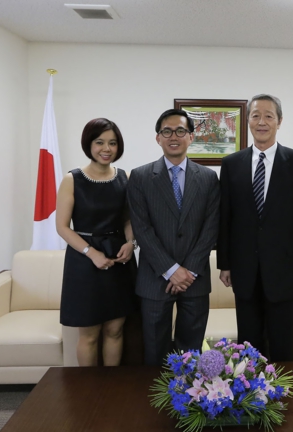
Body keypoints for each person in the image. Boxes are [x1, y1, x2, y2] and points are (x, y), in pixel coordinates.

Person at [217, 94, 293, 362]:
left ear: (279, 121)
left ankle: (284, 399)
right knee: (248, 344)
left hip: (284, 270)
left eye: (268, 116)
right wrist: (224, 264)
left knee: (283, 341)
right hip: (244, 270)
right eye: (255, 115)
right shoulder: (231, 164)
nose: (261, 121)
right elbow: (225, 219)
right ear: (248, 121)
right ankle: (251, 399)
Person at [127, 109, 220, 366]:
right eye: (166, 131)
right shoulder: (140, 177)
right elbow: (142, 229)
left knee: (191, 355)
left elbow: (211, 228)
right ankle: (155, 404)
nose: (173, 136)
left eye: (180, 131)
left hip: (195, 278)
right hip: (154, 278)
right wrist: (170, 270)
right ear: (158, 138)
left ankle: (188, 401)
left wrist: (187, 270)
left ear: (191, 137)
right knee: (154, 352)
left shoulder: (209, 178)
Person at [56, 118, 137, 367]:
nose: (107, 148)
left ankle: (110, 391)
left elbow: (127, 219)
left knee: (115, 330)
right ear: (89, 144)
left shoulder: (126, 177)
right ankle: (88, 393)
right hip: (84, 262)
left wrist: (131, 242)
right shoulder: (73, 178)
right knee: (89, 336)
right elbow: (61, 227)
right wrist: (92, 253)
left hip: (119, 260)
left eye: (112, 143)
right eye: (100, 142)